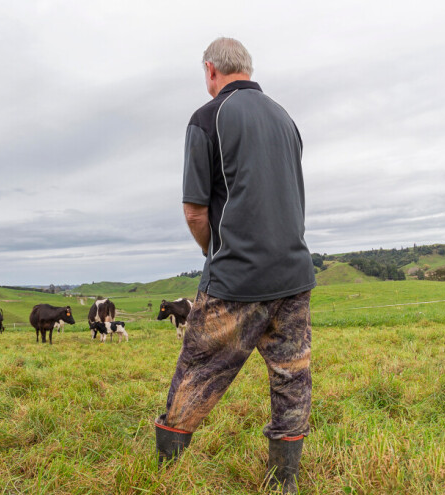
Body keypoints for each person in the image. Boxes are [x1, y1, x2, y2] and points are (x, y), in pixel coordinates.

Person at [154, 38, 316, 495]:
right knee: (292, 378)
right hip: (293, 277)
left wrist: (214, 253)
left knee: (197, 371)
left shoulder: (207, 118)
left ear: (211, 71)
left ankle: (165, 474)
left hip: (236, 279)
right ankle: (284, 480)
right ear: (247, 67)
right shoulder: (286, 117)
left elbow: (194, 210)